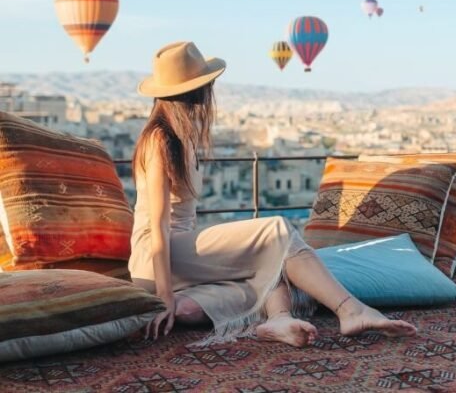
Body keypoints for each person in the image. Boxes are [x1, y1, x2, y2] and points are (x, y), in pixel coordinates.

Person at [129, 41, 418, 347]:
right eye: (207, 82)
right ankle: (350, 309)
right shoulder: (159, 139)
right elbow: (159, 229)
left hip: (181, 257)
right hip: (157, 257)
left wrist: (174, 302)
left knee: (222, 292)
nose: (211, 88)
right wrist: (164, 297)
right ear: (193, 89)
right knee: (276, 230)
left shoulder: (180, 137)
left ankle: (277, 320)